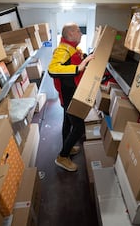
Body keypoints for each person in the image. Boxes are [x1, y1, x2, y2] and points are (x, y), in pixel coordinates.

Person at [48, 23, 95, 172]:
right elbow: (52, 69)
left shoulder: (73, 49)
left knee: (67, 122)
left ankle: (67, 148)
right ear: (70, 34)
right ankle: (62, 157)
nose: (81, 34)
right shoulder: (62, 49)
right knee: (79, 127)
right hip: (68, 94)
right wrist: (79, 67)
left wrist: (85, 60)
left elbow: (77, 59)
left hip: (72, 93)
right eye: (78, 31)